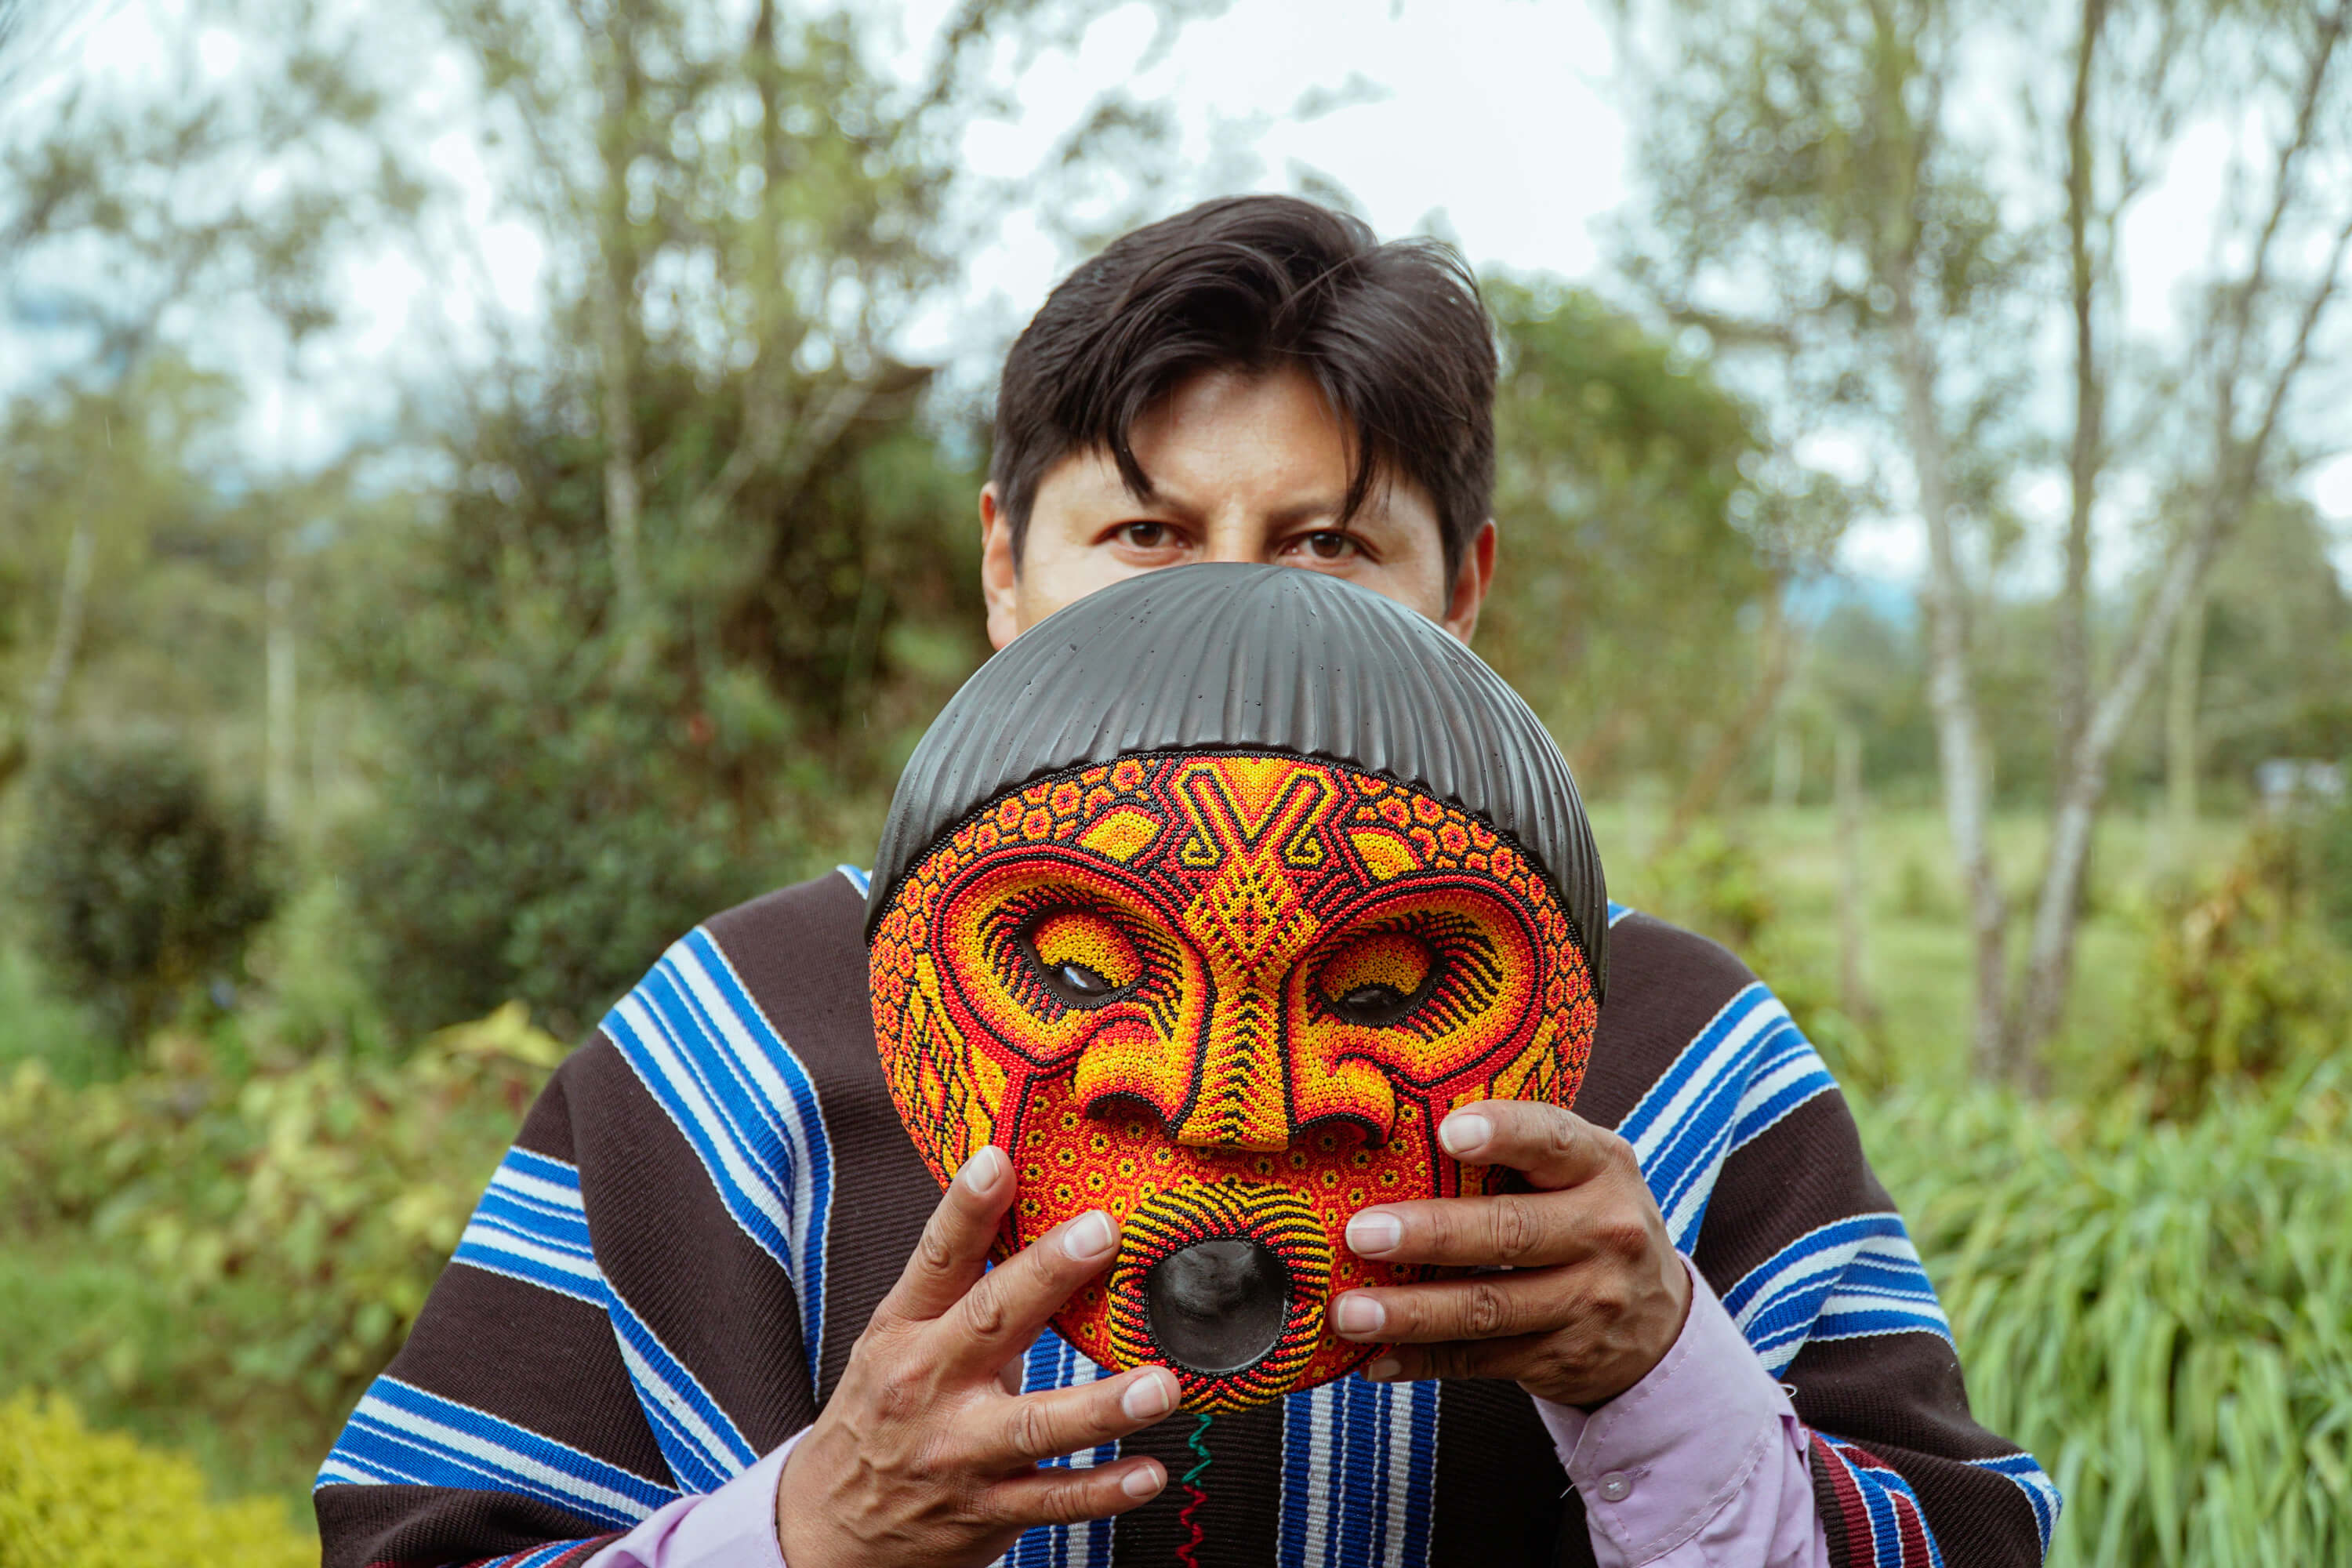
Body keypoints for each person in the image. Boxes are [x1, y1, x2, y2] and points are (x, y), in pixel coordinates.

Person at [316, 197, 2056, 1568]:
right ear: (1006, 564)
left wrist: (1662, 1372)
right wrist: (814, 1529)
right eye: (1147, 536)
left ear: (1462, 594)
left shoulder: (1682, 1069)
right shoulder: (733, 1050)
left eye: (1328, 544)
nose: (1234, 609)